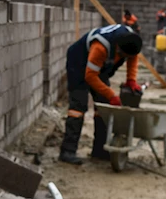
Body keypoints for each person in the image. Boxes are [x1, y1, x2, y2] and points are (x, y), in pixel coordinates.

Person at [59, 24, 144, 165]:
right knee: (78, 108)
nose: (123, 58)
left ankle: (99, 151)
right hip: (78, 64)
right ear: (118, 48)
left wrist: (131, 80)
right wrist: (112, 95)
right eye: (122, 55)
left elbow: (133, 58)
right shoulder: (101, 47)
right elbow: (90, 76)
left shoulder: (131, 40)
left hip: (99, 68)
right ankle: (67, 151)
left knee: (104, 107)